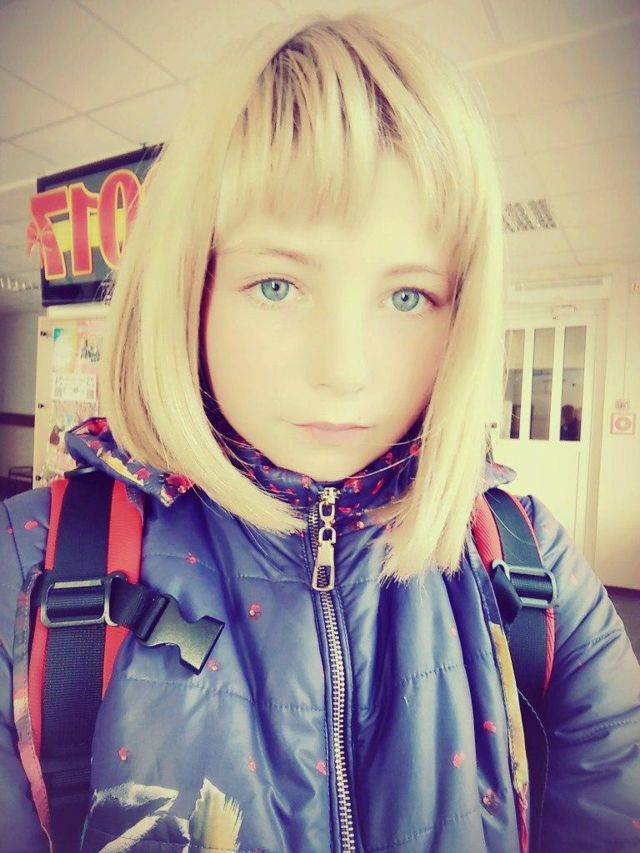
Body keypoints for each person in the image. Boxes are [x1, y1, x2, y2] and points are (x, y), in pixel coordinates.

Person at [1, 10, 639, 853]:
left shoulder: (533, 569)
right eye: (278, 285)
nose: (345, 368)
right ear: (191, 290)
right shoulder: (30, 566)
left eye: (407, 296)